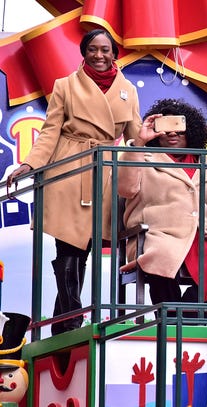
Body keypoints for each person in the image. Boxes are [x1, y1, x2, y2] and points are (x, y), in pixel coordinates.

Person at [5, 29, 142, 335]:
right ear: (84, 52)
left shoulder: (128, 90)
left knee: (86, 248)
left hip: (105, 172)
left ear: (114, 53)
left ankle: (64, 324)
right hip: (69, 171)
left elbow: (135, 136)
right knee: (69, 246)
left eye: (105, 49)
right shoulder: (65, 85)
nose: (99, 55)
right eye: (93, 49)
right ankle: (73, 319)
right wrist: (30, 163)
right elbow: (50, 132)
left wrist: (153, 162)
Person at [118, 99, 207, 318]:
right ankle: (172, 320)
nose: (173, 133)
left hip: (202, 236)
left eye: (179, 126)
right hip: (157, 235)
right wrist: (139, 143)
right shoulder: (142, 157)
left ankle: (186, 317)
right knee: (162, 254)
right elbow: (125, 188)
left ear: (191, 129)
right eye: (165, 127)